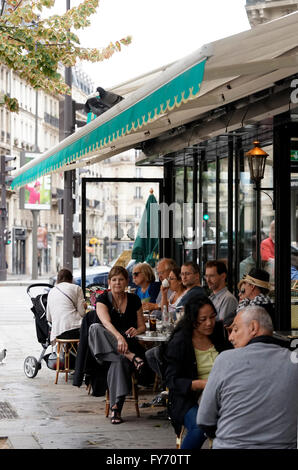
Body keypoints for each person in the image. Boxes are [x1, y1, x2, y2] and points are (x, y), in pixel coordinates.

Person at [197, 306, 298, 449]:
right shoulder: (293, 361)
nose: (231, 337)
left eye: (236, 329)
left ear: (253, 327)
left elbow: (204, 420)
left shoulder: (225, 359)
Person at [164, 297, 231, 449]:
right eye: (203, 319)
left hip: (222, 394)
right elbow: (171, 380)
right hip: (188, 398)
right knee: (200, 426)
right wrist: (201, 384)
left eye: (212, 317)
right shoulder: (180, 342)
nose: (209, 323)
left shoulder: (219, 335)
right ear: (193, 320)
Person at [88, 265, 147, 424]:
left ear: (127, 281)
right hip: (107, 348)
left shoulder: (134, 299)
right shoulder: (102, 299)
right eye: (114, 280)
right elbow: (106, 323)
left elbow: (143, 326)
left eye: (121, 279)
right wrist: (119, 338)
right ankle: (131, 357)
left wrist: (137, 329)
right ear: (109, 282)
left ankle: (116, 409)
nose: (117, 283)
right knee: (95, 328)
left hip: (128, 345)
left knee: (119, 362)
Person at [46, 268, 87, 342]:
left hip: (58, 333)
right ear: (71, 278)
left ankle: (70, 352)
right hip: (75, 330)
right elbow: (82, 313)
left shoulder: (51, 292)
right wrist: (84, 307)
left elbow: (49, 318)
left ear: (58, 279)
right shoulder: (77, 288)